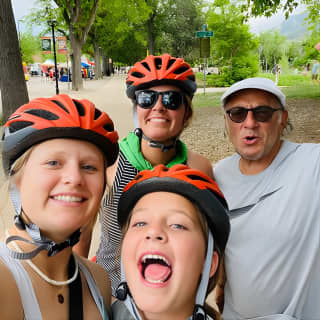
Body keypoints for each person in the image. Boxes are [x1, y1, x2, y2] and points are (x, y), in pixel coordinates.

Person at [76, 53, 214, 295]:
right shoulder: (110, 163)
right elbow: (82, 235)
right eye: (147, 98)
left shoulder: (199, 169)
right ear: (137, 107)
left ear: (187, 112)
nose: (158, 107)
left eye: (171, 99)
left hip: (171, 293)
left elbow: (207, 240)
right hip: (112, 290)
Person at [0, 94, 119, 319]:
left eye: (89, 167)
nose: (74, 178)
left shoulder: (98, 281)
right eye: (53, 163)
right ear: (18, 179)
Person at [214, 77, 320, 319]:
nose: (249, 123)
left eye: (262, 113)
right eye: (237, 114)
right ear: (227, 122)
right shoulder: (217, 176)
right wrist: (221, 283)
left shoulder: (312, 163)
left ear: (282, 118)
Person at [111, 164, 230, 320]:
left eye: (177, 225)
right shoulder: (94, 312)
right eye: (140, 223)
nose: (153, 232)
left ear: (209, 263)